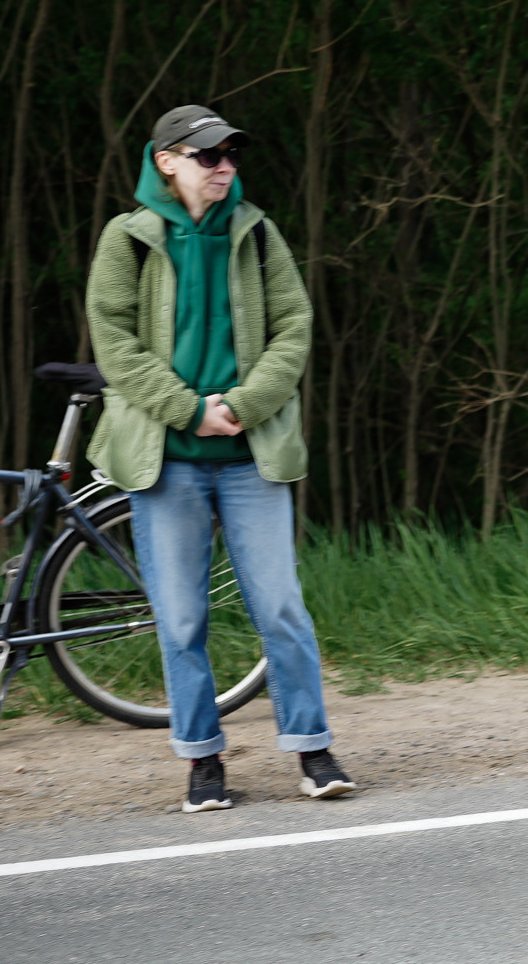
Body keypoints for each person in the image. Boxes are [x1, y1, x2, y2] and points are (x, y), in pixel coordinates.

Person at [85, 104, 355, 813]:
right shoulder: (129, 239)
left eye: (231, 154)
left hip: (249, 456)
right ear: (167, 161)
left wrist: (244, 404)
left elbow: (294, 326)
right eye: (209, 156)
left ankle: (313, 749)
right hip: (164, 460)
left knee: (282, 609)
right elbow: (114, 341)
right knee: (180, 620)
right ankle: (203, 761)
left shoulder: (257, 233)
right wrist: (188, 410)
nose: (225, 166)